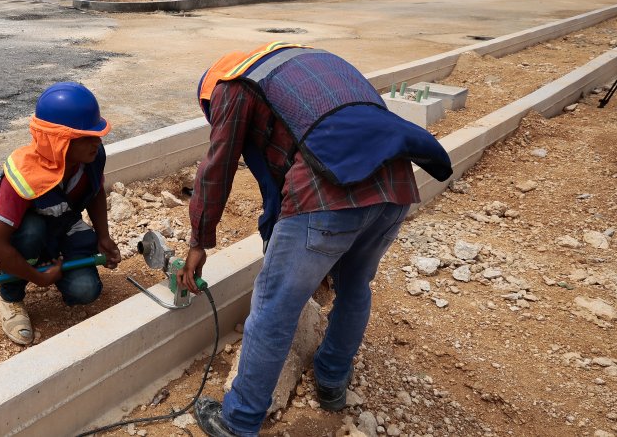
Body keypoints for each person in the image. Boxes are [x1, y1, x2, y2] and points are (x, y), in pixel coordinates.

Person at [181, 42, 452, 437]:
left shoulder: (231, 87)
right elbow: (285, 168)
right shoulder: (304, 64)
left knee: (275, 307)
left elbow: (217, 167)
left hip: (329, 195)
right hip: (395, 187)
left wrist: (199, 241)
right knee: (355, 285)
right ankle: (331, 381)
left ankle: (237, 422)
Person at [0, 81, 122, 345]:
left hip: (62, 227)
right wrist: (39, 278)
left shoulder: (92, 157)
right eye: (87, 136)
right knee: (31, 232)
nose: (97, 142)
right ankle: (11, 298)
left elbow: (96, 190)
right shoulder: (23, 176)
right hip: (22, 236)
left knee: (86, 291)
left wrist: (103, 235)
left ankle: (52, 263)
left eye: (97, 134)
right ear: (58, 141)